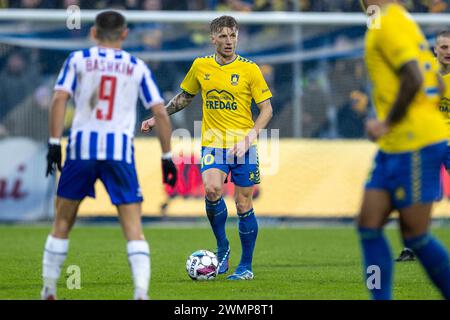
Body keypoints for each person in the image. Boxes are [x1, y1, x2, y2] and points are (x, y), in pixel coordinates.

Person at [42, 10, 177, 300]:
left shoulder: (77, 59)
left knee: (62, 222)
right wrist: (167, 156)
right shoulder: (135, 66)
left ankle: (49, 289)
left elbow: (58, 98)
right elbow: (160, 112)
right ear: (125, 34)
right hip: (119, 152)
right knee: (133, 227)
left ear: (93, 32)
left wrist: (54, 142)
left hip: (81, 150)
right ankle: (141, 293)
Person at [141, 15, 273, 280]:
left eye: (233, 36)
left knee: (243, 203)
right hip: (213, 142)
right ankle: (223, 246)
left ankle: (245, 266)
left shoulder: (250, 69)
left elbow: (267, 109)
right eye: (223, 36)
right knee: (212, 189)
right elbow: (185, 98)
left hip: (243, 145)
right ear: (213, 38)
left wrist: (249, 137)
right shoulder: (201, 66)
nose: (228, 41)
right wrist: (158, 118)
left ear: (238, 37)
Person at [358, 0, 450, 299]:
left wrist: (386, 122)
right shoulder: (398, 19)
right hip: (395, 145)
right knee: (369, 225)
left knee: (415, 235)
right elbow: (433, 78)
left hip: (414, 142)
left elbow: (413, 77)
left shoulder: (388, 22)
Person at [396, 29, 450, 262]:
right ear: (435, 49)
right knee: (418, 197)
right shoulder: (424, 76)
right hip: (426, 143)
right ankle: (413, 246)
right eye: (444, 47)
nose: (448, 52)